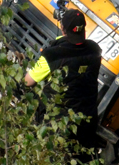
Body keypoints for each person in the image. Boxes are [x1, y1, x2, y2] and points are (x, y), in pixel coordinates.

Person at [25, 9, 102, 161]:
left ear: (62, 28)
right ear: (84, 29)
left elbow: (27, 82)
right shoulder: (95, 50)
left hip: (58, 124)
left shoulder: (53, 55)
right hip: (87, 121)